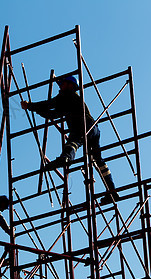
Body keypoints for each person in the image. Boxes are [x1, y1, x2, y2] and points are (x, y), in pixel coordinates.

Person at [21, 75, 119, 204]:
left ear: (71, 85)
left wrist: (30, 106)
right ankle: (112, 191)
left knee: (74, 141)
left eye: (63, 84)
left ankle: (66, 158)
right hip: (94, 128)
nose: (60, 86)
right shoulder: (72, 97)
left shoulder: (66, 96)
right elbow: (51, 111)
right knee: (98, 160)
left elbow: (50, 108)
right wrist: (35, 109)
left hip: (82, 125)